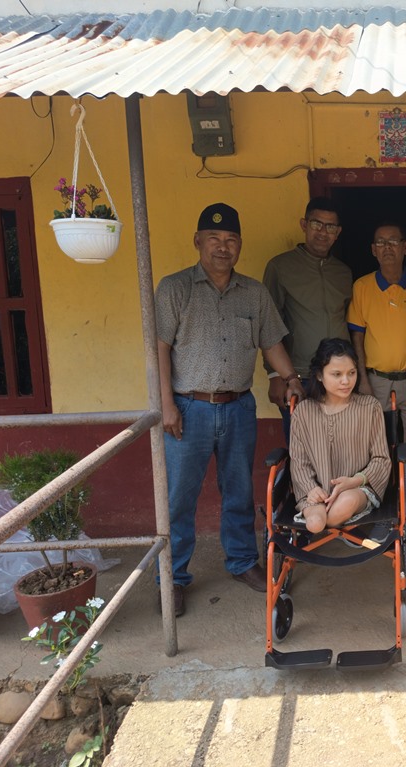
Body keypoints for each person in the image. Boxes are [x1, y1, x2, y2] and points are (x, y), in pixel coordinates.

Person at [155, 202, 303, 617]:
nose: (223, 247)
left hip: (238, 408)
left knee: (238, 491)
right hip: (188, 407)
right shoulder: (174, 288)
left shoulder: (254, 292)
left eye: (231, 240)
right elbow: (160, 350)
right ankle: (173, 579)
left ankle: (241, 563)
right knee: (179, 499)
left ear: (239, 246)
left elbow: (271, 342)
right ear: (198, 242)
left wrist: (292, 380)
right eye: (215, 239)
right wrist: (166, 405)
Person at [346, 220, 406, 545]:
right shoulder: (363, 286)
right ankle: (383, 514)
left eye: (393, 242)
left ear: (405, 247)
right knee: (377, 452)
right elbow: (357, 334)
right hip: (376, 382)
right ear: (372, 250)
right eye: (380, 243)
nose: (386, 248)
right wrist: (363, 380)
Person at [262, 197, 352, 440]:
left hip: (339, 378)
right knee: (302, 449)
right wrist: (275, 375)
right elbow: (268, 324)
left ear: (338, 233)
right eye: (316, 224)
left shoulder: (343, 272)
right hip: (300, 377)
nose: (323, 232)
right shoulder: (280, 267)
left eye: (330, 227)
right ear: (304, 224)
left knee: (341, 446)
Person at [289, 338, 391, 534]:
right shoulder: (303, 412)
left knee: (344, 504)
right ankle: (321, 516)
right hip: (315, 492)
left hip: (358, 488)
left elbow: (382, 459)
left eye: (351, 373)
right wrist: (312, 489)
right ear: (319, 375)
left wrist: (354, 481)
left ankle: (329, 517)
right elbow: (299, 461)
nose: (346, 381)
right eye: (337, 374)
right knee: (316, 523)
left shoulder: (370, 408)